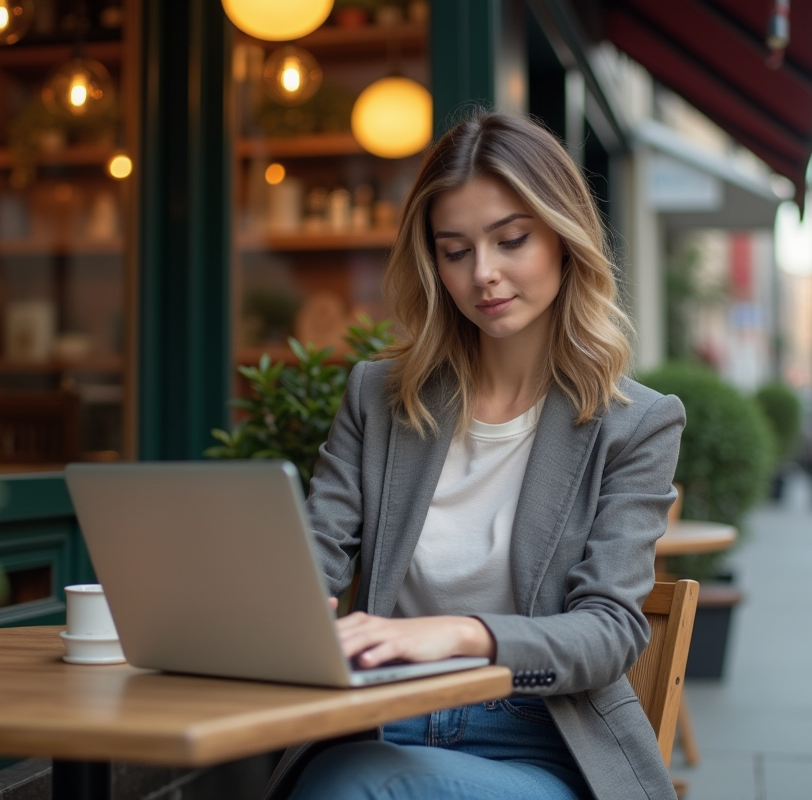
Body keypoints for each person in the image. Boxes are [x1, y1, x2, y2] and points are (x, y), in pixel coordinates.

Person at [265, 111, 685, 800]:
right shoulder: (379, 396)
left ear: (563, 237)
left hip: (542, 744)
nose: (483, 274)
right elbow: (314, 555)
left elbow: (608, 633)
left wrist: (457, 635)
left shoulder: (635, 424)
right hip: (377, 719)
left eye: (511, 240)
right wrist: (283, 609)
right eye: (455, 250)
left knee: (355, 790)